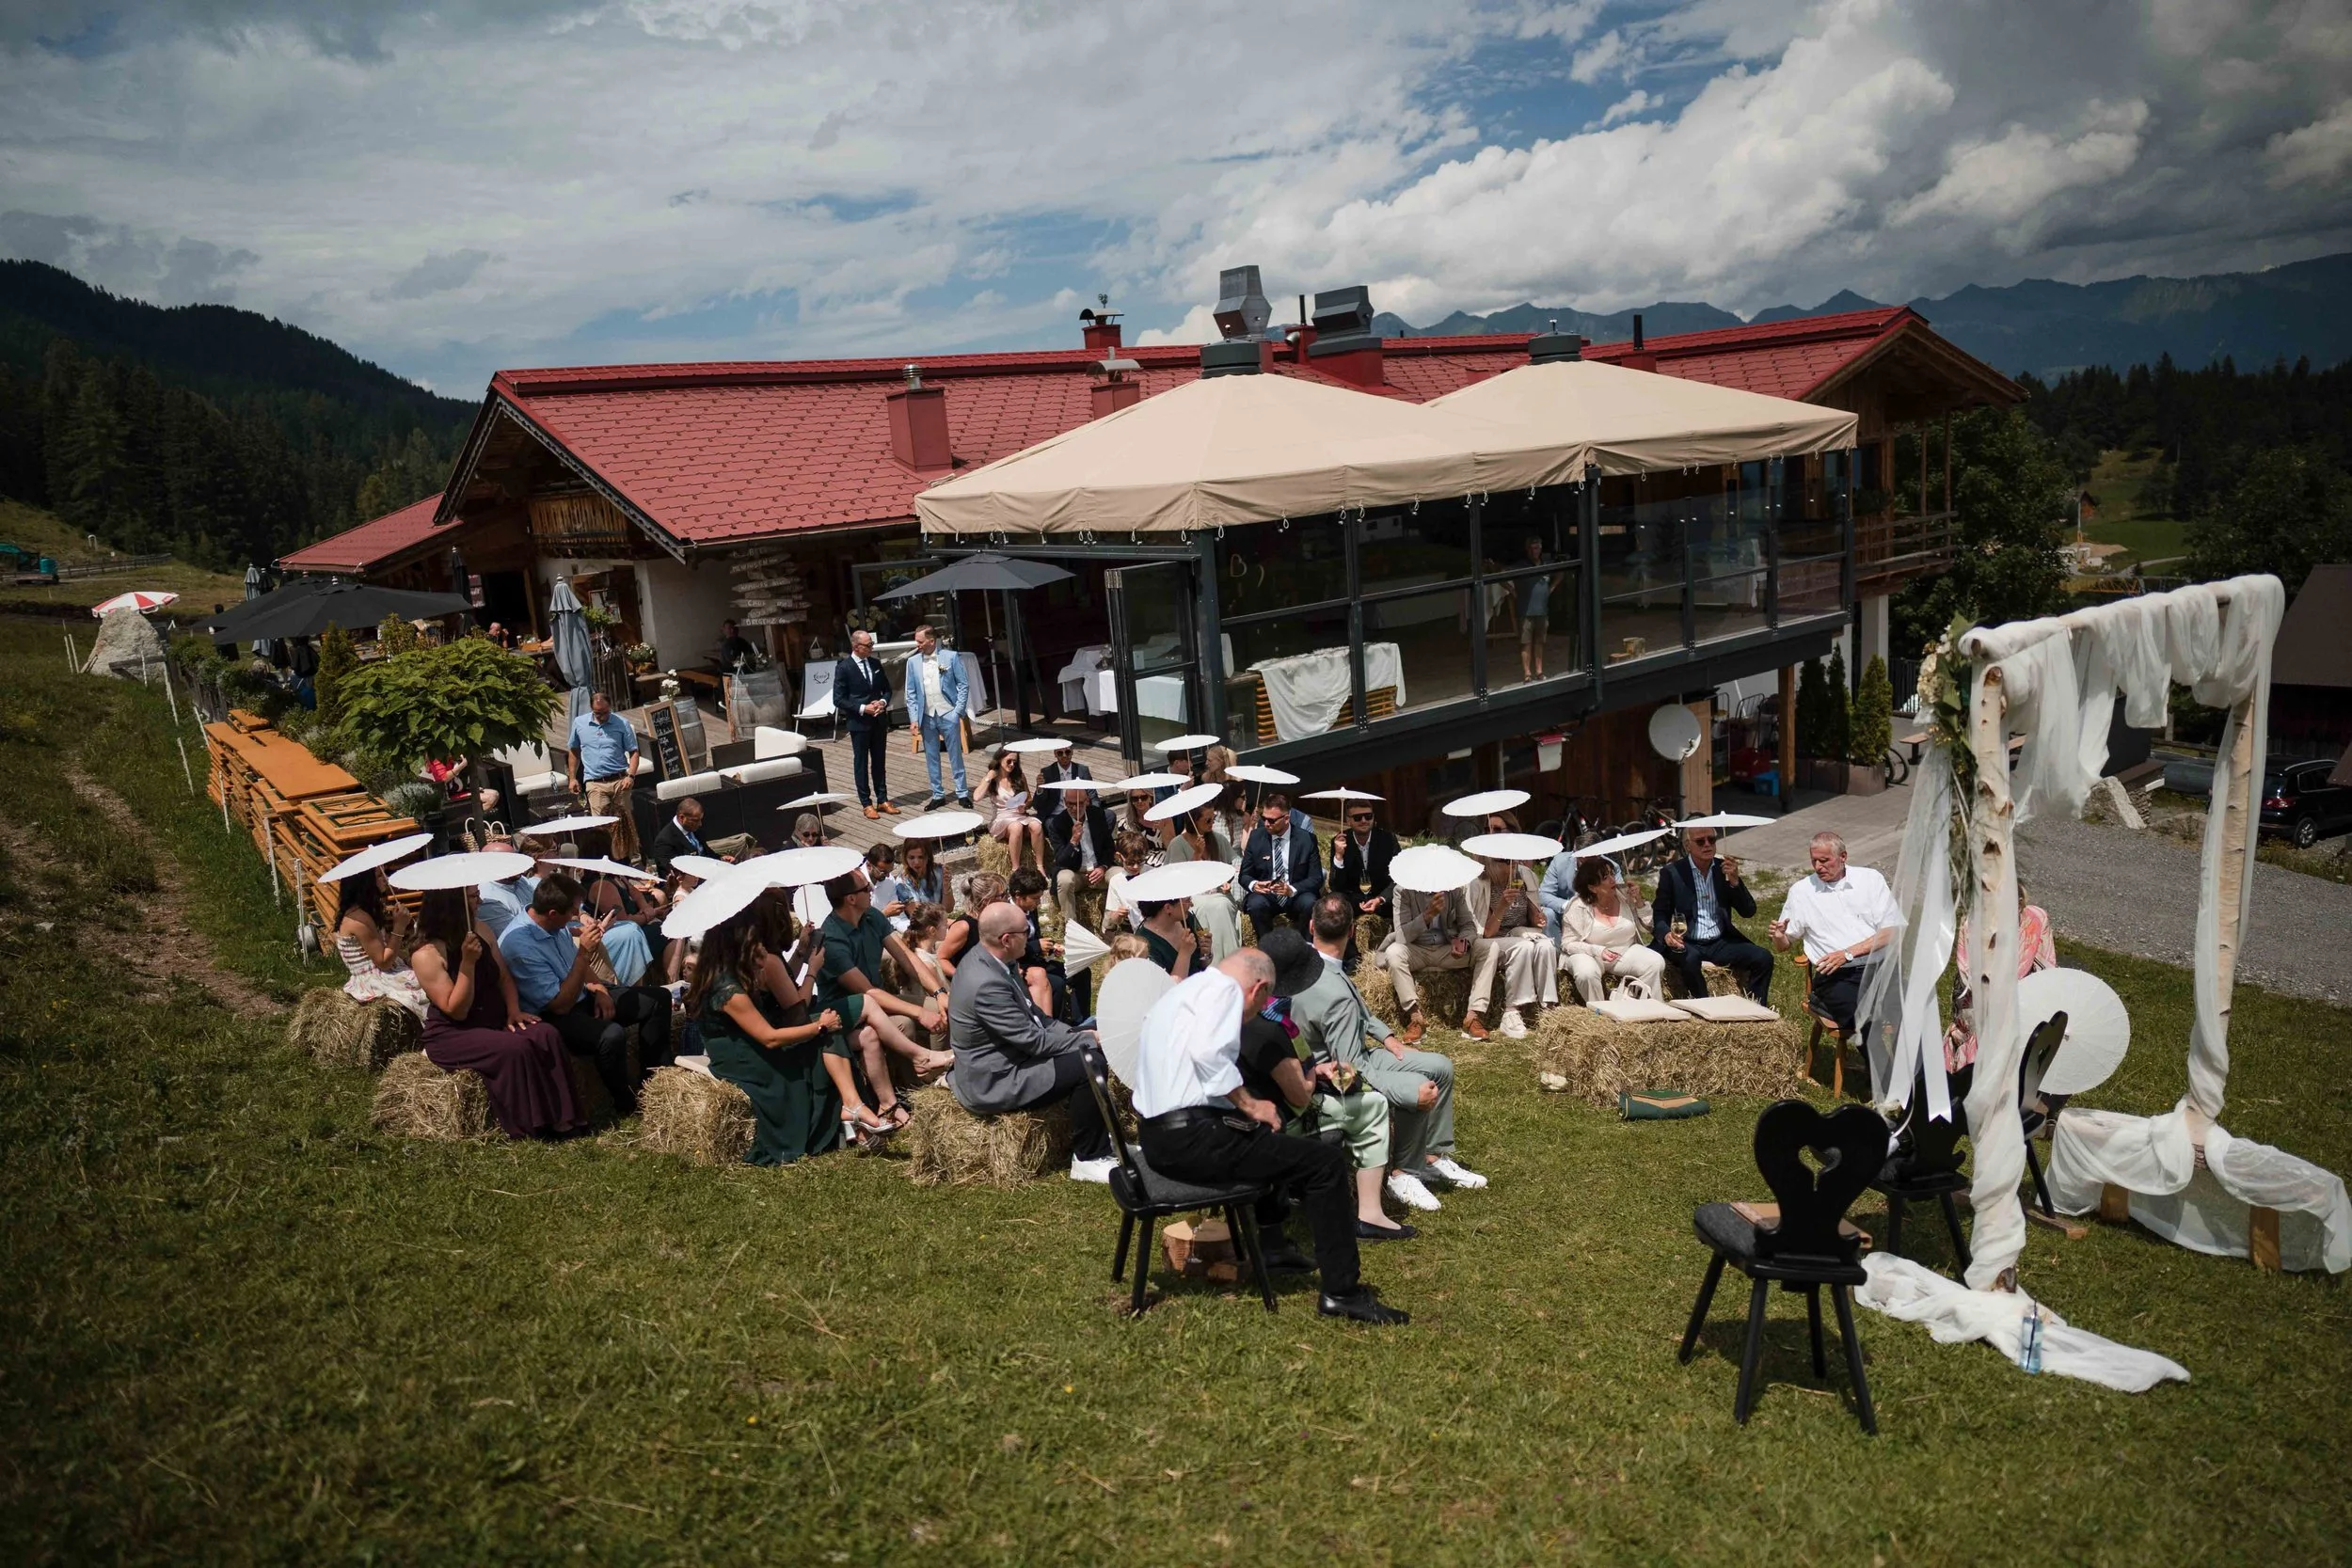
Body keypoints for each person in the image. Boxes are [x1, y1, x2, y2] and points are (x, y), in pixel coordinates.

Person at [1130, 947, 1408, 1324]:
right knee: (1324, 1164)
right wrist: (1249, 1104)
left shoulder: (1190, 989)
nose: (1256, 1013)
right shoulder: (1225, 993)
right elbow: (1209, 1053)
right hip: (1187, 1141)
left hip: (1160, 1136)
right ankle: (1342, 1292)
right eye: (1261, 1002)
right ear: (1258, 988)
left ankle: (1274, 1247)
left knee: (1267, 1136)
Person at [1270, 919, 1422, 1241]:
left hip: (1253, 1116)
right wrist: (1324, 1077)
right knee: (1374, 1105)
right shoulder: (1276, 1026)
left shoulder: (1259, 1013)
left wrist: (1319, 1070)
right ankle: (1370, 1214)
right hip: (1282, 1120)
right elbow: (1299, 1093)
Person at [947, 902, 1116, 1182]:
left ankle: (1102, 1137)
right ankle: (1089, 1158)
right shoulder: (986, 983)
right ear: (1007, 939)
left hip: (1013, 1057)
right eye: (1026, 931)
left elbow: (1037, 1017)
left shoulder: (996, 960)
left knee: (1094, 1033)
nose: (1031, 934)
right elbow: (1034, 1043)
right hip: (997, 1079)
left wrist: (1081, 1034)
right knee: (1090, 1063)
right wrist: (1085, 1040)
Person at [407, 886, 584, 1139]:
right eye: (472, 896)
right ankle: (530, 1127)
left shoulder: (481, 929)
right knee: (515, 1049)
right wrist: (467, 964)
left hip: (494, 1019)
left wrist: (514, 1010)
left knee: (545, 1034)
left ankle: (563, 1119)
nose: (480, 900)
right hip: (455, 1033)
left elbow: (503, 977)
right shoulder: (426, 953)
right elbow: (456, 1010)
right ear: (452, 902)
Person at [498, 875, 674, 1116]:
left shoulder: (553, 924)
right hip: (552, 1013)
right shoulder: (520, 946)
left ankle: (655, 1081)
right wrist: (584, 954)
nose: (575, 916)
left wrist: (600, 988)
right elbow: (559, 1005)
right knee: (611, 1035)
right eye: (572, 912)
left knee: (658, 999)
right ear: (552, 912)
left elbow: (578, 968)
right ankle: (626, 1103)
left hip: (581, 994)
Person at [692, 903, 851, 1163]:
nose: (760, 947)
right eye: (755, 940)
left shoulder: (728, 975)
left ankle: (851, 1109)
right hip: (743, 1060)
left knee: (823, 1038)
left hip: (750, 1047)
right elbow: (770, 1038)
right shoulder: (727, 989)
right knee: (821, 1039)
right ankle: (839, 1118)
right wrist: (818, 1026)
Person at [812, 872, 953, 1125]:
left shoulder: (872, 916)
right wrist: (919, 1011)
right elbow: (867, 993)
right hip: (851, 1011)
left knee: (945, 1008)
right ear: (851, 899)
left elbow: (907, 958)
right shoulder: (831, 938)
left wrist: (939, 993)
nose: (872, 890)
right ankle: (911, 1088)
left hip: (879, 1000)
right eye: (866, 888)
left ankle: (938, 1076)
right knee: (907, 1023)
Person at [1771, 831, 1900, 1047]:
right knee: (1865, 1020)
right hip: (1835, 976)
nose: (1818, 866)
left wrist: (1848, 953)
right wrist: (1779, 936)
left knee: (1912, 1015)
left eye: (1824, 860)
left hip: (1879, 968)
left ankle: (1922, 1077)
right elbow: (1784, 946)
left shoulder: (1870, 880)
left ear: (1843, 857)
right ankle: (1887, 1078)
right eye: (1814, 861)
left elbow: (1892, 930)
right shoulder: (1802, 892)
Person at [1651, 825, 1772, 1002]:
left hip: (1719, 941)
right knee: (1690, 959)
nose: (1707, 845)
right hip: (1688, 940)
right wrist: (1666, 934)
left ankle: (1756, 1007)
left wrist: (1735, 882)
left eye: (1712, 840)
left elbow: (1748, 911)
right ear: (1687, 846)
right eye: (1700, 841)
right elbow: (1660, 913)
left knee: (1763, 958)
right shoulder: (1672, 873)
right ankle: (1705, 1005)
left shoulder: (1722, 869)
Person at [1460, 850, 1553, 1039]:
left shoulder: (1525, 876)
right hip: (1493, 939)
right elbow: (1486, 933)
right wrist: (1502, 905)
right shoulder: (1479, 883)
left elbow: (1533, 918)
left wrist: (1538, 918)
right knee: (1523, 946)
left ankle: (1548, 1006)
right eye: (1505, 862)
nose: (1512, 865)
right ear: (1491, 862)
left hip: (1520, 932)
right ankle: (1511, 1011)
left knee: (1547, 945)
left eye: (1513, 860)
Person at [1559, 857, 1667, 1004]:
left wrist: (1639, 902)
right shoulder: (1577, 906)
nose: (1612, 880)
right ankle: (1598, 1012)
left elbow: (1646, 928)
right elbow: (1568, 944)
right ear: (1592, 887)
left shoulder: (1624, 894)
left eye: (1611, 873)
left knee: (1656, 962)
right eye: (1605, 877)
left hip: (1624, 950)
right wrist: (1597, 951)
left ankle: (1639, 1004)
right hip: (1589, 954)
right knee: (1586, 973)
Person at [1381, 883, 1474, 1046]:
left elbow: (1468, 926)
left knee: (1487, 949)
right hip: (1416, 949)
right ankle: (1415, 1017)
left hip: (1447, 950)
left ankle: (1474, 1015)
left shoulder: (1455, 890)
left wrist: (1463, 942)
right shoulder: (1402, 890)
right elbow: (1402, 936)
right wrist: (1428, 915)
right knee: (1393, 953)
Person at [334, 869, 428, 1017]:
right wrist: (400, 926)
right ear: (366, 883)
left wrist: (409, 958)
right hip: (375, 978)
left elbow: (384, 946)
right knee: (426, 986)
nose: (385, 879)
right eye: (379, 876)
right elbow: (384, 961)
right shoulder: (358, 919)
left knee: (428, 970)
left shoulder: (367, 911)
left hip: (385, 969)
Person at [566, 690, 643, 864]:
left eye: (605, 712)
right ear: (591, 709)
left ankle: (631, 859)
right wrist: (572, 777)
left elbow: (634, 751)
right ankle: (606, 859)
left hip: (619, 780)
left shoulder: (621, 723)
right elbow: (574, 751)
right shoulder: (580, 724)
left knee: (623, 822)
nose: (601, 717)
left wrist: (630, 776)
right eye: (597, 713)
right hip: (595, 782)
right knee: (600, 825)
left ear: (610, 707)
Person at [902, 623, 972, 808]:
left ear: (931, 641)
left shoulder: (950, 657)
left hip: (947, 711)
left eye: (920, 641)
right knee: (931, 756)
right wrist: (914, 719)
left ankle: (962, 792)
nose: (917, 645)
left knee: (955, 754)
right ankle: (938, 794)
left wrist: (957, 711)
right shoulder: (912, 662)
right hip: (926, 715)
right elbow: (910, 693)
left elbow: (963, 685)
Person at [1165, 800, 1245, 960]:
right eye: (1207, 820)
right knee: (1218, 905)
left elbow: (1235, 862)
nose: (1212, 823)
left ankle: (1229, 958)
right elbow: (1177, 881)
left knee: (1221, 903)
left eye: (1213, 818)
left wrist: (1227, 878)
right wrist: (1196, 854)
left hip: (1219, 892)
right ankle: (1221, 960)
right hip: (1192, 897)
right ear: (1193, 821)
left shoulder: (1218, 839)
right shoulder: (1178, 845)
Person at [833, 628, 897, 819]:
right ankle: (866, 803)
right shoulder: (844, 667)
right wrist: (862, 708)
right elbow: (839, 699)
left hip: (878, 720)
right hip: (859, 722)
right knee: (861, 763)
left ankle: (882, 799)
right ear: (856, 646)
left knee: (879, 761)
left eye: (872, 644)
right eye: (868, 645)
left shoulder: (876, 663)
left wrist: (882, 702)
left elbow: (887, 689)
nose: (871, 648)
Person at [1239, 791, 1323, 933]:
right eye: (1264, 818)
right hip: (1267, 895)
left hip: (1295, 894)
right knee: (1255, 904)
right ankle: (1266, 948)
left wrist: (1292, 889)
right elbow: (1244, 875)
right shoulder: (1256, 837)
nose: (1266, 824)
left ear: (1286, 818)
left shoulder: (1306, 839)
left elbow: (1316, 878)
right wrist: (1254, 885)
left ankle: (1304, 948)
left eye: (1271, 820)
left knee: (1310, 903)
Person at [1326, 801, 1399, 945]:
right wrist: (1339, 856)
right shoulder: (1340, 841)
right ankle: (1349, 953)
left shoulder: (1387, 839)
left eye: (1368, 816)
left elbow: (1399, 876)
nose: (1364, 821)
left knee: (1404, 897)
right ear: (1348, 820)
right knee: (1334, 901)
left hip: (1381, 897)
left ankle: (1400, 946)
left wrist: (1380, 899)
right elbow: (1336, 886)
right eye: (1358, 818)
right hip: (1354, 898)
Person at [1045, 780, 1116, 928]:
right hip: (1076, 873)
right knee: (1064, 879)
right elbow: (1061, 861)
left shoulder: (1097, 815)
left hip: (1099, 871)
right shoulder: (1057, 824)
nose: (1075, 807)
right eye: (1070, 804)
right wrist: (1073, 841)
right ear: (1064, 802)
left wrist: (1102, 867)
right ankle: (1073, 929)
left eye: (1080, 803)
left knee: (1120, 875)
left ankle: (1110, 925)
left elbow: (1109, 847)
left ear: (1087, 801)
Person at [976, 747, 1042, 872]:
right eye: (1009, 761)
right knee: (1016, 826)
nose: (1012, 765)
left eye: (1015, 762)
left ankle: (1040, 866)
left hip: (1019, 815)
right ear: (1000, 759)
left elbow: (1029, 799)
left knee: (1037, 825)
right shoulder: (993, 779)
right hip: (1001, 818)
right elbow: (977, 797)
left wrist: (1025, 806)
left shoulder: (1019, 776)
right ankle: (1015, 868)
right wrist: (988, 777)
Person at [935, 870, 1004, 979]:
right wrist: (964, 978)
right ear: (987, 900)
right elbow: (941, 958)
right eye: (1003, 895)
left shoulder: (994, 919)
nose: (1007, 898)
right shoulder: (964, 926)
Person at [1515, 532, 1564, 681]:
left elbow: (1561, 572)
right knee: (1525, 643)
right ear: (1527, 549)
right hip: (1526, 610)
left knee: (1540, 642)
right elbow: (1503, 574)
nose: (1535, 551)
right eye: (1532, 548)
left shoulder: (1546, 564)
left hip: (1542, 610)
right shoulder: (1521, 565)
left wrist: (1551, 588)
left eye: (1537, 548)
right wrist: (1512, 591)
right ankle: (1527, 673)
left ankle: (1539, 671)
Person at [473, 839, 540, 939]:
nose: (517, 865)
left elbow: (541, 905)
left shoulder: (521, 880)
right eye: (510, 862)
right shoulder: (488, 898)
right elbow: (515, 936)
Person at [649, 795, 726, 876]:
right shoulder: (665, 840)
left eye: (700, 820)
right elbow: (672, 870)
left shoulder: (694, 829)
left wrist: (720, 859)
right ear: (682, 818)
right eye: (696, 820)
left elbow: (704, 851)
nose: (700, 824)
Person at [1136, 895, 1210, 978]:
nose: (1191, 904)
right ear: (1168, 908)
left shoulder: (1187, 919)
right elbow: (1170, 986)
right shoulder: (1144, 943)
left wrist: (1205, 953)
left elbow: (1203, 965)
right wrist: (1185, 953)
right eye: (1187, 900)